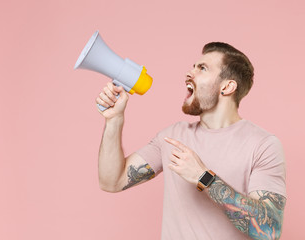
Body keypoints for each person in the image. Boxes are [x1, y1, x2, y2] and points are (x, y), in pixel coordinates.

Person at [96, 42, 286, 240]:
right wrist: (114, 120)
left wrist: (204, 178)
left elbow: (270, 231)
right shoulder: (172, 137)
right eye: (193, 66)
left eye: (202, 68)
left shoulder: (263, 145)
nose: (189, 73)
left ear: (227, 86)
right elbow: (112, 181)